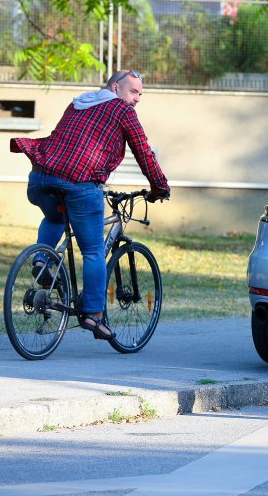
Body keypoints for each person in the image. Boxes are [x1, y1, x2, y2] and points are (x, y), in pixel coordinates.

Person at [9, 69, 170, 341]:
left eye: (141, 94)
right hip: (80, 181)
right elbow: (142, 150)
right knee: (94, 250)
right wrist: (160, 187)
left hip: (41, 176)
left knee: (55, 218)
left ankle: (41, 261)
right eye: (134, 92)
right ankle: (94, 316)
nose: (137, 99)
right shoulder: (121, 110)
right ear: (116, 88)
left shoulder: (79, 102)